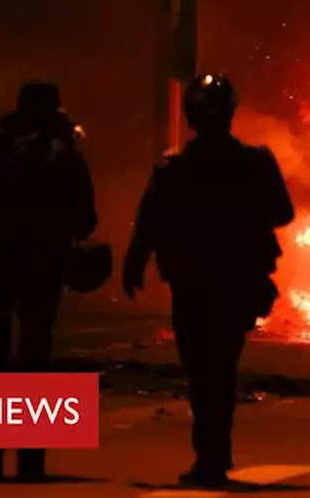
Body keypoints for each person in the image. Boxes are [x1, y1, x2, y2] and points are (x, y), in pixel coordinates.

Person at [122, 73, 295, 489]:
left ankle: (210, 457)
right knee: (219, 368)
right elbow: (281, 212)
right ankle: (213, 455)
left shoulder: (177, 167)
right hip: (231, 280)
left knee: (203, 370)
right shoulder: (251, 163)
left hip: (197, 282)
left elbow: (150, 222)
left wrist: (135, 262)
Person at [0, 80, 97, 482]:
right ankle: (31, 458)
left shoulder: (1, 148)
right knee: (35, 358)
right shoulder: (66, 156)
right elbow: (86, 218)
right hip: (42, 266)